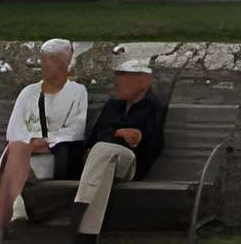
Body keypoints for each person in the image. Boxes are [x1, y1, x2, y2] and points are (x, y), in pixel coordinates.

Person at [0, 39, 86, 244]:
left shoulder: (77, 92)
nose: (47, 64)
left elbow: (76, 130)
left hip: (58, 156)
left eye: (54, 59)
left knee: (15, 157)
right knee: (17, 150)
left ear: (65, 63)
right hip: (25, 153)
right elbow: (14, 129)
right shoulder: (29, 92)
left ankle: (2, 225)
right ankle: (3, 223)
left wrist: (48, 141)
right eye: (45, 59)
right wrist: (30, 143)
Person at [61, 55, 168, 236]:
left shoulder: (153, 108)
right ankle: (86, 235)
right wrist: (118, 134)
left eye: (124, 75)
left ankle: (79, 207)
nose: (116, 81)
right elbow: (94, 136)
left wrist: (132, 137)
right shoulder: (112, 105)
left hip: (131, 166)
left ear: (144, 81)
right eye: (117, 75)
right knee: (104, 161)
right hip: (102, 163)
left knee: (104, 150)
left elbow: (153, 146)